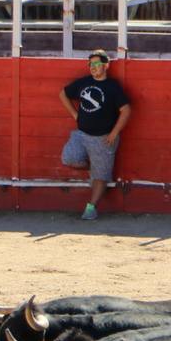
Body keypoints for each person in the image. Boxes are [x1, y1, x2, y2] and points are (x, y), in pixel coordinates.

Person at [59, 50, 131, 220]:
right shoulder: (84, 82)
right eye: (90, 64)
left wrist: (114, 132)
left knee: (101, 176)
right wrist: (75, 114)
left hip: (104, 137)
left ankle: (91, 207)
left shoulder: (112, 86)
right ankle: (93, 168)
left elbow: (126, 110)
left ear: (106, 66)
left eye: (97, 64)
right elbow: (63, 94)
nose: (93, 67)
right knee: (68, 158)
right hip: (82, 133)